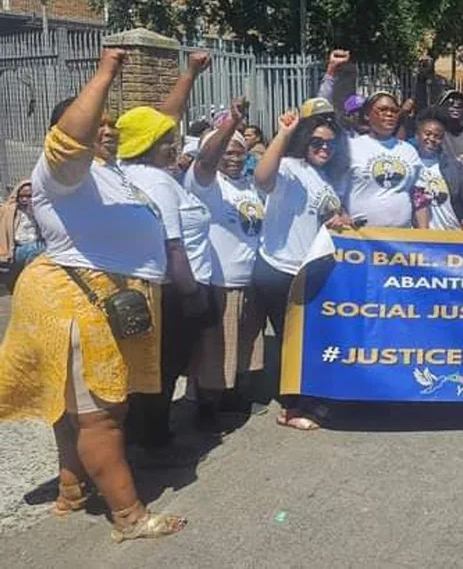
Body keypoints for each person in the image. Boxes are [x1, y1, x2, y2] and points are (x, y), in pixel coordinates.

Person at [0, 49, 184, 541]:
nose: (107, 129)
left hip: (104, 300)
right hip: (78, 301)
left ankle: (72, 489)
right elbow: (68, 141)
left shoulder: (112, 171)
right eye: (96, 123)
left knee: (76, 409)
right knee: (100, 415)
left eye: (111, 124)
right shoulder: (61, 171)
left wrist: (188, 75)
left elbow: (162, 122)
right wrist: (105, 73)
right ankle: (129, 516)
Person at [117, 56, 214, 462]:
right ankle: (155, 441)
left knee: (144, 365)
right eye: (165, 141)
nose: (173, 144)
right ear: (149, 146)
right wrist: (192, 293)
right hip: (172, 288)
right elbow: (173, 246)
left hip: (141, 284)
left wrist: (189, 75)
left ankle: (137, 434)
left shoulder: (123, 171)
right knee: (164, 366)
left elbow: (163, 117)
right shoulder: (158, 182)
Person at [255, 91, 351, 430]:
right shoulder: (289, 168)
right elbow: (262, 178)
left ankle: (307, 399)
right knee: (293, 340)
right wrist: (284, 133)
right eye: (317, 142)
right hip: (281, 268)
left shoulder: (323, 177)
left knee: (308, 337)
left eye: (330, 144)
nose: (325, 148)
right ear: (303, 142)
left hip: (308, 269)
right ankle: (290, 409)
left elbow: (323, 217)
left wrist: (340, 220)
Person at [185, 101, 266, 425]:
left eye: (239, 152)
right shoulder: (204, 184)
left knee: (242, 344)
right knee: (213, 348)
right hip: (219, 280)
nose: (234, 158)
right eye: (227, 152)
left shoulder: (250, 184)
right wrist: (231, 122)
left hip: (248, 280)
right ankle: (205, 407)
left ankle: (232, 396)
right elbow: (205, 159)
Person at [348, 92, 425, 228]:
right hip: (360, 236)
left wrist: (424, 231)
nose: (389, 114)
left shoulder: (408, 151)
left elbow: (419, 195)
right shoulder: (350, 148)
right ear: (367, 115)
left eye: (394, 111)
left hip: (401, 237)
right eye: (382, 110)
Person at [0, 180, 45, 287]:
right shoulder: (10, 210)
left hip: (38, 243)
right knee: (34, 252)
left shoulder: (40, 210)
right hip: (18, 248)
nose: (25, 199)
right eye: (22, 196)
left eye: (29, 196)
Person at [438, 89, 463, 158]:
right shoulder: (433, 131)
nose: (456, 106)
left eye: (461, 104)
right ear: (441, 106)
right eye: (451, 103)